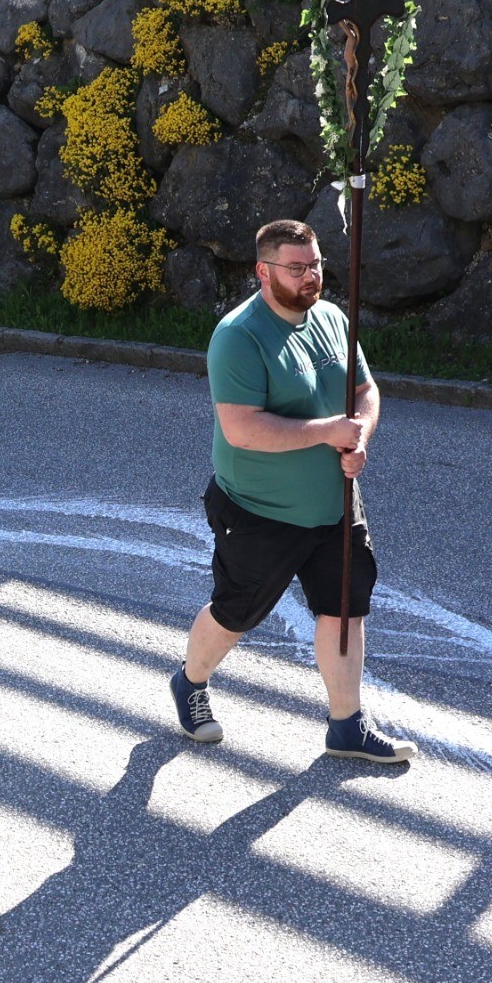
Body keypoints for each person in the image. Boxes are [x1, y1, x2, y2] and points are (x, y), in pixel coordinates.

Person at [172, 219, 416, 764]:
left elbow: (364, 390)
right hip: (261, 510)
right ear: (264, 271)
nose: (312, 277)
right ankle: (190, 683)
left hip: (335, 502)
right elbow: (242, 428)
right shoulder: (238, 336)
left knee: (345, 608)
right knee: (238, 611)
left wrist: (360, 437)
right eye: (297, 267)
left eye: (317, 264)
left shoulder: (331, 319)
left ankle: (347, 724)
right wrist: (328, 432)